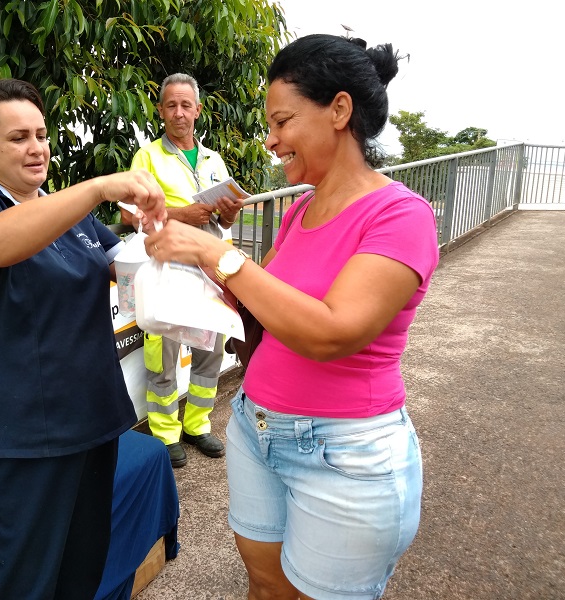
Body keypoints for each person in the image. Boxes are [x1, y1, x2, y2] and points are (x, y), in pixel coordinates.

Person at [143, 34, 439, 599]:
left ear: (339, 111)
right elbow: (261, 303)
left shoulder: (401, 214)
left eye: (282, 122)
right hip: (259, 431)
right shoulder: (300, 208)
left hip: (345, 452)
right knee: (265, 584)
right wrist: (185, 274)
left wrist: (216, 254)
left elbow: (332, 332)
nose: (271, 140)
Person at [0, 78, 166, 600]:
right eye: (18, 137)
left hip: (92, 419)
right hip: (24, 437)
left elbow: (130, 263)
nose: (36, 148)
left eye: (41, 134)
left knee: (82, 572)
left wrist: (183, 235)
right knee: (28, 584)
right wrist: (97, 187)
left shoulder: (71, 215)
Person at [129, 73, 244, 468]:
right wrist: (183, 214)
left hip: (212, 267)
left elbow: (224, 222)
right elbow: (131, 214)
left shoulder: (213, 158)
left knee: (210, 349)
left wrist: (227, 212)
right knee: (163, 349)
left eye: (186, 105)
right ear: (161, 111)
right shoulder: (146, 157)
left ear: (197, 110)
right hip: (170, 266)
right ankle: (165, 433)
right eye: (171, 105)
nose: (179, 113)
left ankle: (197, 425)